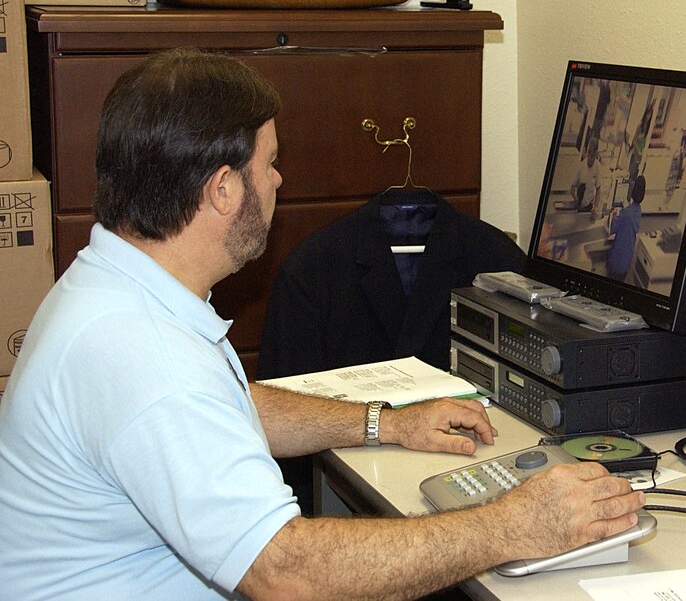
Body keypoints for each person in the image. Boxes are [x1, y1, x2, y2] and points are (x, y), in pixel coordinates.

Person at [0, 49, 644, 600]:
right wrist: (512, 527)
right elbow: (285, 573)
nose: (280, 179)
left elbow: (223, 409)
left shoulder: (115, 289)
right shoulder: (144, 355)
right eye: (270, 162)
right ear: (223, 190)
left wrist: (383, 422)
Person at [606, 175, 646, 281]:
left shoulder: (626, 213)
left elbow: (612, 229)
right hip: (626, 261)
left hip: (616, 261)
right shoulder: (638, 211)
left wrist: (615, 216)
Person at [570, 135, 603, 213]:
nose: (591, 159)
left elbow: (598, 189)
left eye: (593, 156)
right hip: (579, 204)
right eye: (590, 155)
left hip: (590, 205)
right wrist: (576, 199)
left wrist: (595, 206)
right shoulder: (581, 166)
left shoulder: (598, 167)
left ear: (596, 155)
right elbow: (572, 187)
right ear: (587, 153)